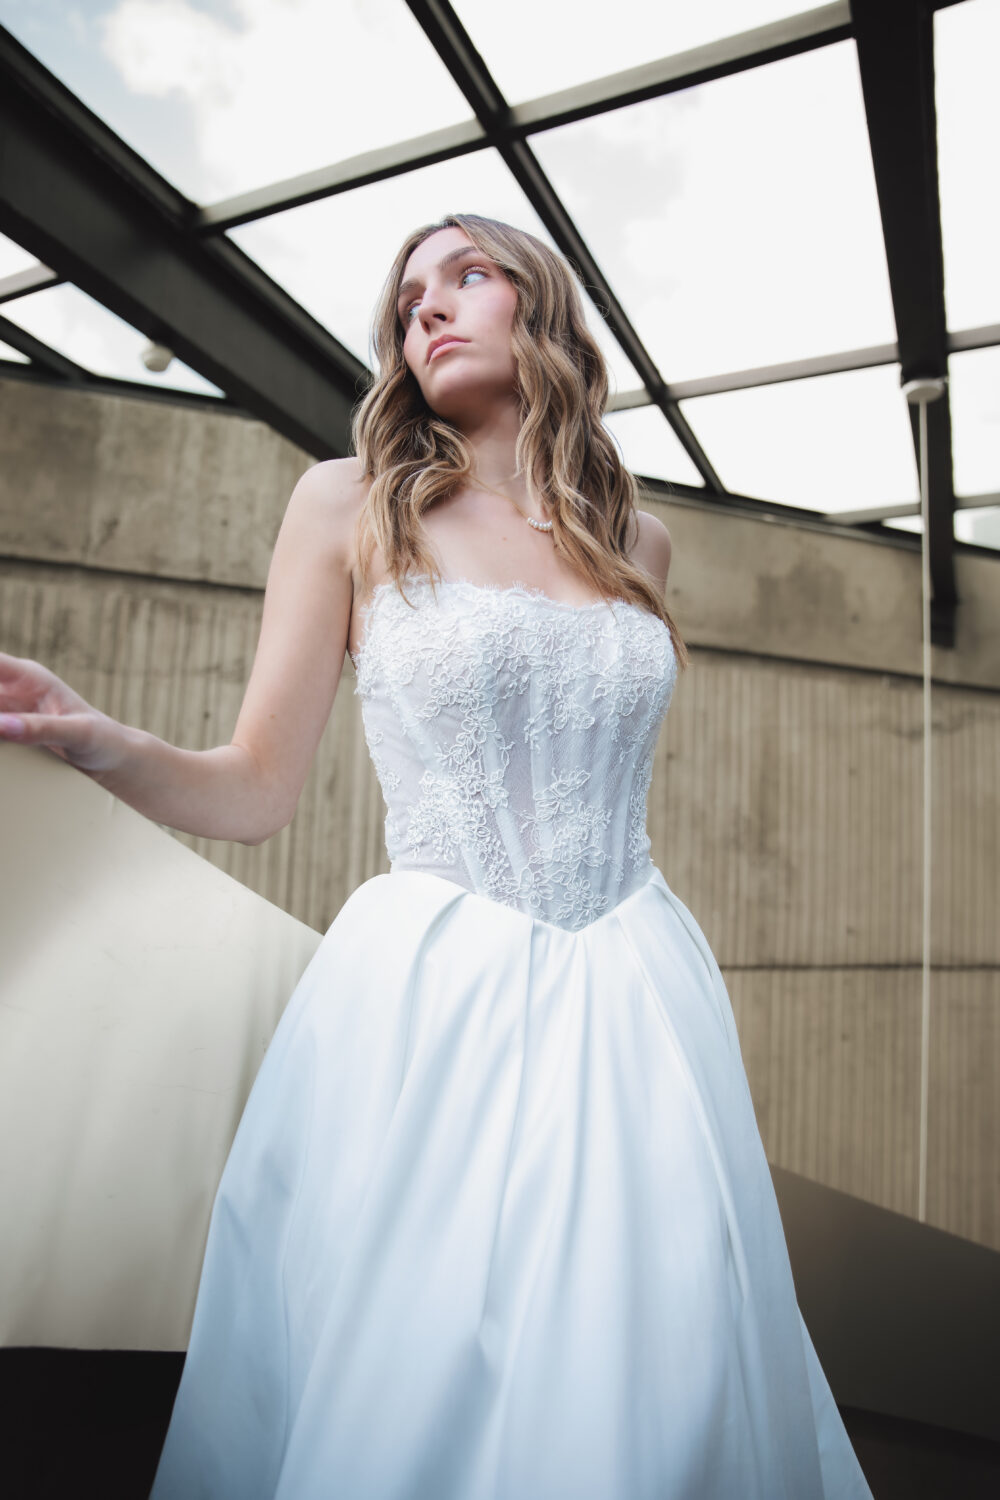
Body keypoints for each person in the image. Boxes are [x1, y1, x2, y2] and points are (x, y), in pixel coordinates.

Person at [0, 214, 872, 1499]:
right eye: (409, 299)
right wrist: (95, 738)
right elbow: (256, 789)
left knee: (660, 1351)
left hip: (636, 993)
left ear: (543, 312)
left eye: (469, 276)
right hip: (434, 999)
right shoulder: (346, 504)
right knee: (409, 1365)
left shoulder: (637, 543)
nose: (430, 309)